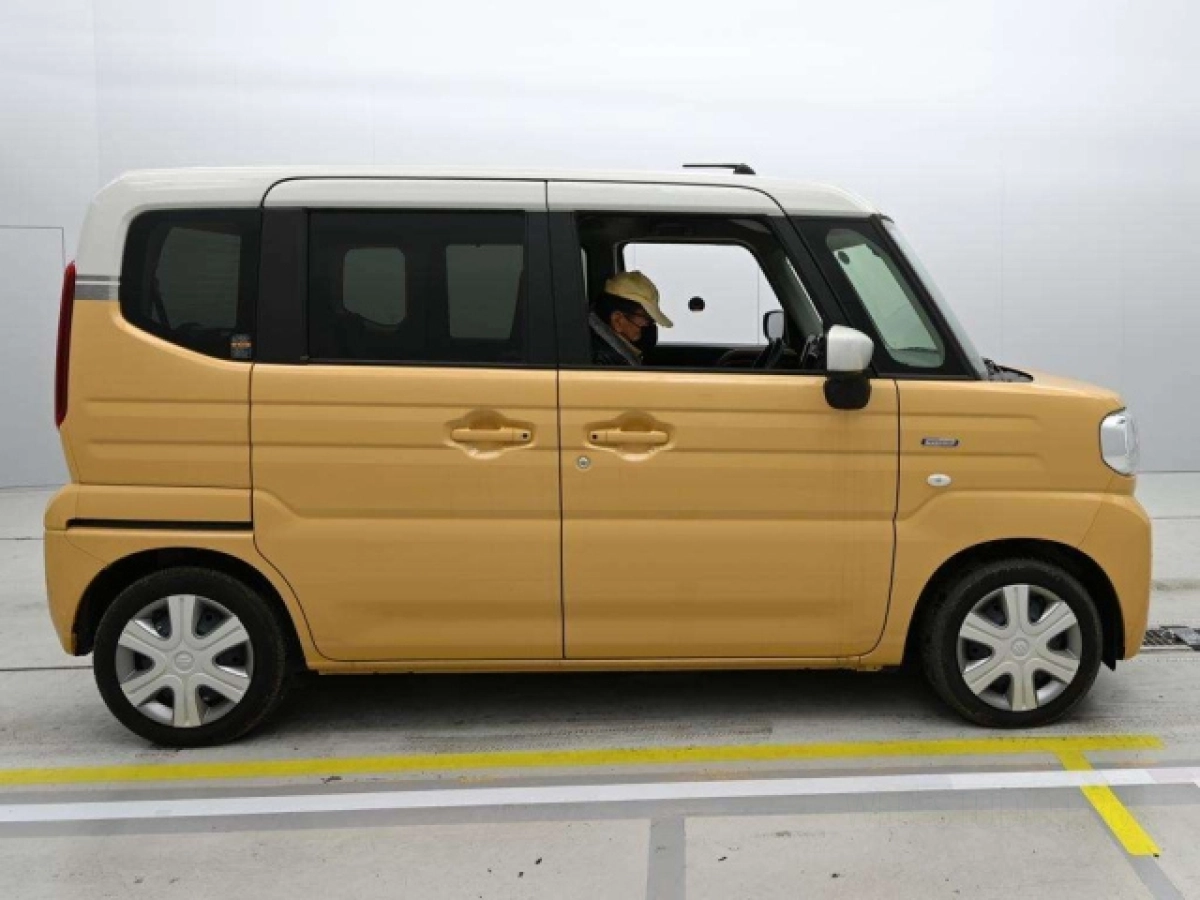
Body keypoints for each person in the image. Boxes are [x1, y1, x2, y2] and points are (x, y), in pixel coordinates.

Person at [589, 271, 674, 366]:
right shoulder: (604, 363)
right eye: (647, 319)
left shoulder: (618, 355)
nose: (650, 325)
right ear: (618, 320)